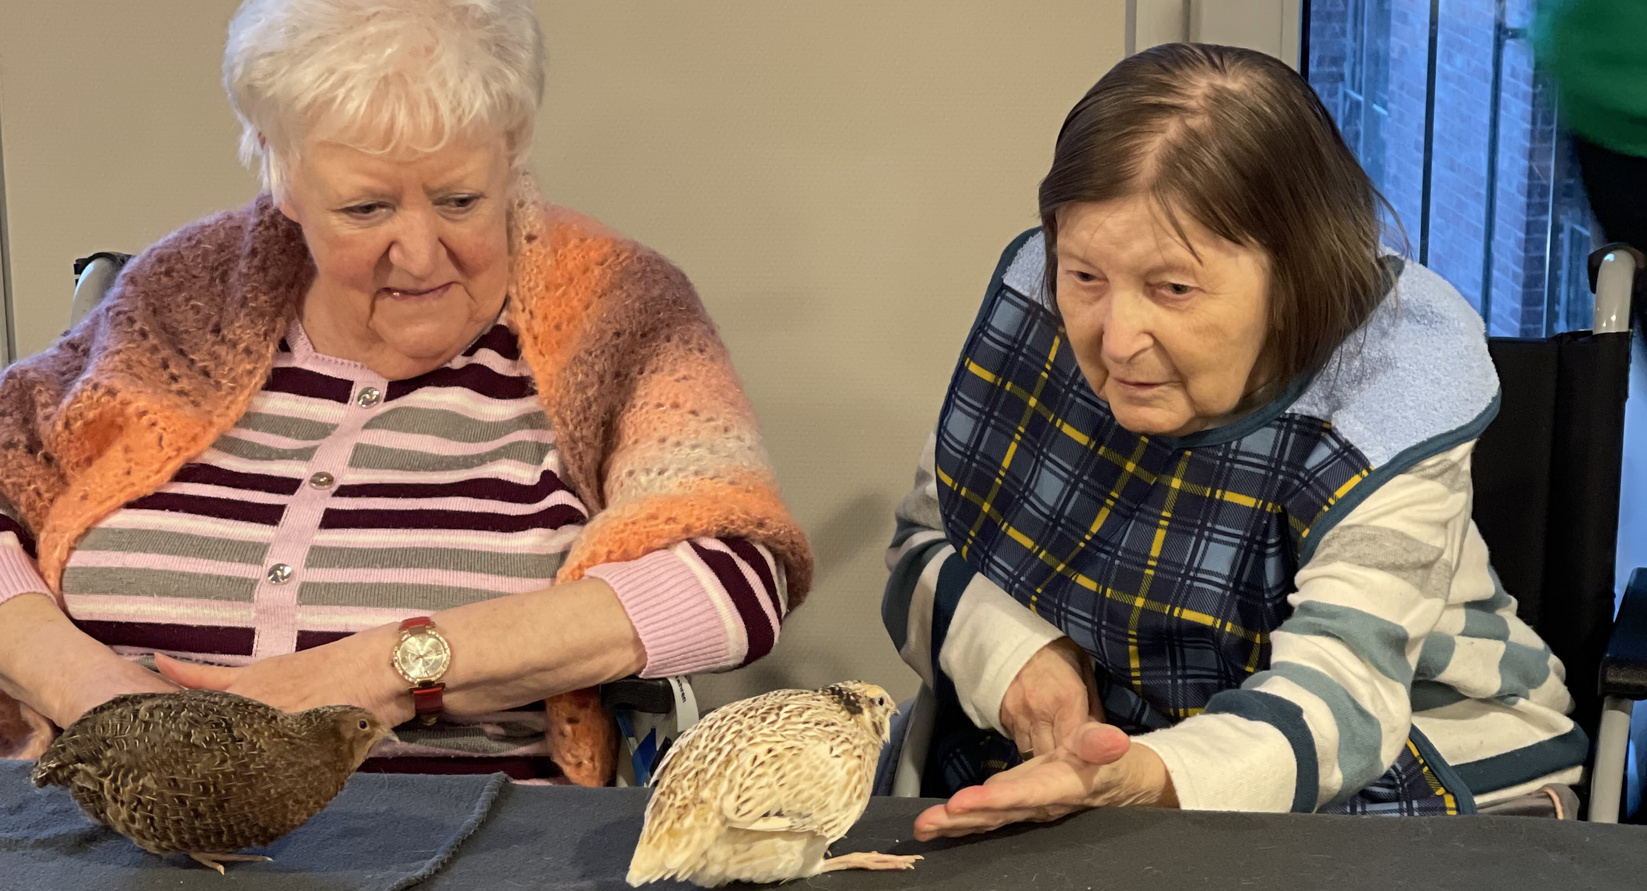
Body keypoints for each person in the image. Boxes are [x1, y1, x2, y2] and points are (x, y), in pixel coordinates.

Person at [0, 0, 810, 785]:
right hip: (91, 826)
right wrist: (88, 689)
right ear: (282, 172)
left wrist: (392, 669)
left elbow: (731, 577)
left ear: (511, 151)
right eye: (365, 208)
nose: (420, 255)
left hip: (463, 834)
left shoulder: (611, 311)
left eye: (459, 200)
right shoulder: (176, 305)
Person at [882, 43, 1586, 834]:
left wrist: (1140, 775)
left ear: (1294, 279)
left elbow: (1341, 699)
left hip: (1397, 753)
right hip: (1109, 737)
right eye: (1083, 277)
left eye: (1172, 288)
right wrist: (1016, 657)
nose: (1116, 340)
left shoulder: (1383, 402)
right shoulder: (1042, 317)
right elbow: (926, 543)